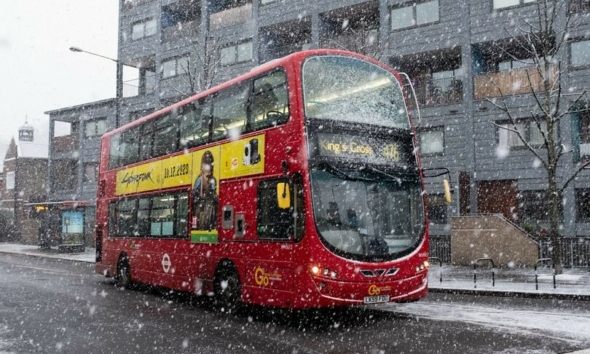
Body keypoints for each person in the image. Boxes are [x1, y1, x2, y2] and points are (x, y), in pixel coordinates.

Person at [193, 151, 218, 231]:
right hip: (201, 209)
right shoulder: (199, 179)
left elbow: (214, 193)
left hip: (209, 208)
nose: (207, 167)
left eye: (209, 164)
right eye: (205, 164)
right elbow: (194, 193)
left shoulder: (213, 179)